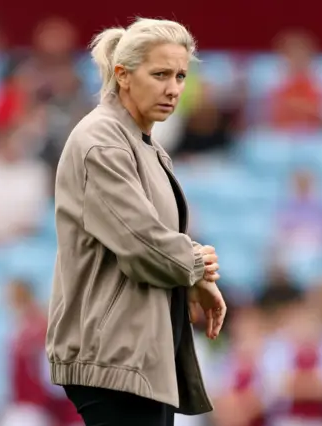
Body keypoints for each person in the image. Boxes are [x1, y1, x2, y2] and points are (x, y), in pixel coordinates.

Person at [45, 17, 227, 426]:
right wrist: (197, 266)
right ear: (123, 75)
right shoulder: (102, 142)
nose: (173, 88)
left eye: (180, 75)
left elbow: (150, 238)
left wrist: (193, 271)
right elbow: (142, 244)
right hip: (113, 353)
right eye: (160, 74)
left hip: (139, 351)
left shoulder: (142, 143)